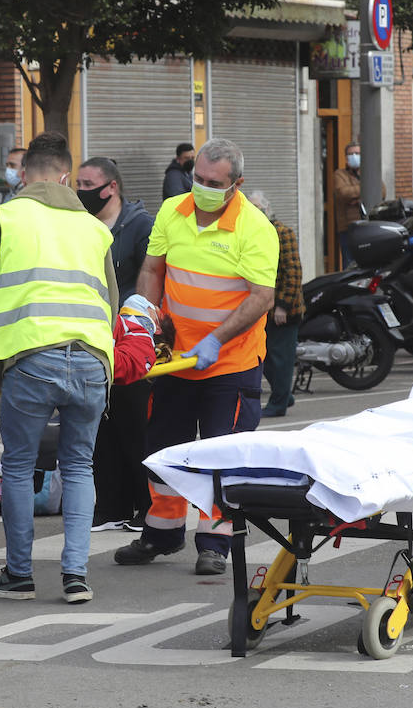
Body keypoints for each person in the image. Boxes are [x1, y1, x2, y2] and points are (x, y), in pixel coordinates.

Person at [0, 131, 116, 604]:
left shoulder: (7, 216)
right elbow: (110, 300)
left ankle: (19, 575)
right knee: (80, 466)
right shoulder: (94, 228)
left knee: (20, 466)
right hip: (90, 361)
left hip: (30, 360)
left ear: (24, 174)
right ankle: (76, 576)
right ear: (67, 176)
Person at [114, 137, 278, 576]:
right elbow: (152, 269)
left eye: (213, 182)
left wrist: (216, 340)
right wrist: (146, 324)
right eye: (197, 178)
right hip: (175, 359)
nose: (201, 187)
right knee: (164, 449)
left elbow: (261, 297)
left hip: (230, 362)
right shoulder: (174, 210)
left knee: (220, 453)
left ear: (236, 184)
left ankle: (215, 542)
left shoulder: (255, 228)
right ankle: (161, 532)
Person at [76, 156, 155, 531]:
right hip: (95, 335)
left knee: (135, 425)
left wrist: (136, 319)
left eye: (88, 184)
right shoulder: (81, 225)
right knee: (101, 423)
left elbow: (149, 277)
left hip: (131, 335)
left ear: (112, 187)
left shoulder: (141, 226)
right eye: (78, 182)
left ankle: (146, 504)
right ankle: (111, 505)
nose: (82, 190)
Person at [251, 192, 303, 419]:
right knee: (265, 357)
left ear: (266, 208)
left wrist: (282, 305)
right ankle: (284, 395)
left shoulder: (282, 233)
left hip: (285, 310)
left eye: (257, 207)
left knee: (281, 360)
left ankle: (279, 403)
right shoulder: (253, 234)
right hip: (265, 309)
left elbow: (293, 272)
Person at [332, 141, 385, 267]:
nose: (354, 156)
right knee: (350, 263)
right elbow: (343, 193)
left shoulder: (369, 173)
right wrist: (366, 190)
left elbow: (382, 190)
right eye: (351, 154)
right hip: (349, 229)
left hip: (368, 227)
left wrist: (355, 196)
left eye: (357, 153)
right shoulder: (340, 174)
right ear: (346, 158)